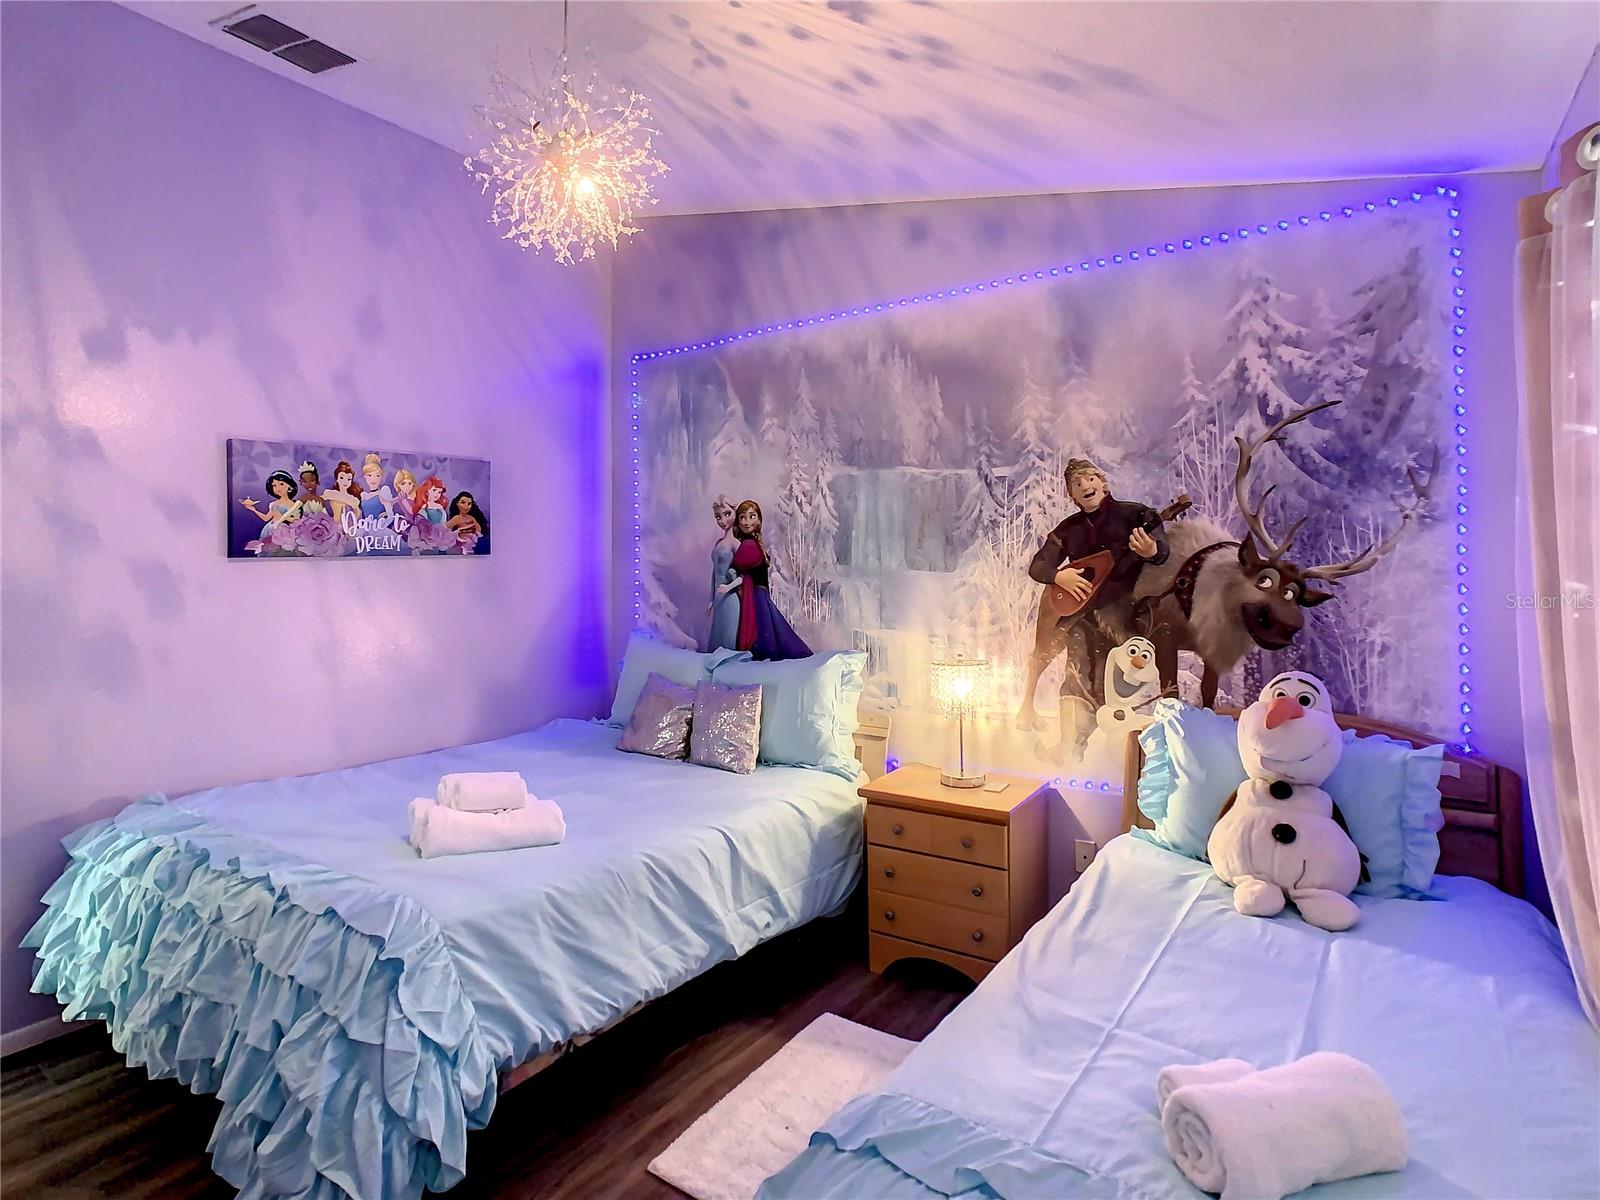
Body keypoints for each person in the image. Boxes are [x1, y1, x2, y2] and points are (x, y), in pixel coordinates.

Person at [1020, 457, 1169, 758]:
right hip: (1082, 618)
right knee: (1076, 676)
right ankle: (1069, 748)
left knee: (1122, 675)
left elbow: (1162, 551)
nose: (1085, 486)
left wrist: (1152, 550)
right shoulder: (1069, 529)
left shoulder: (1135, 514)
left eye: (1090, 479)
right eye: (1076, 484)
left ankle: (1128, 753)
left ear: (1102, 483)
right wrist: (1058, 576)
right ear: (1072, 495)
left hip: (1124, 614)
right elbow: (1039, 565)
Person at [729, 500, 811, 661]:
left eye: (751, 516)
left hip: (756, 594)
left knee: (762, 628)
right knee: (773, 627)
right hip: (759, 593)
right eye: (742, 517)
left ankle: (765, 657)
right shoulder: (751, 543)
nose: (747, 521)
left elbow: (737, 564)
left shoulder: (749, 545)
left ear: (758, 519)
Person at [706, 494, 741, 652]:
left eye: (727, 514)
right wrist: (711, 599)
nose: (722, 520)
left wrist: (729, 587)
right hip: (718, 598)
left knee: (728, 641)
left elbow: (745, 575)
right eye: (718, 517)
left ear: (735, 513)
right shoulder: (718, 543)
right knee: (717, 639)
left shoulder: (735, 544)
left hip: (730, 598)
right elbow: (715, 573)